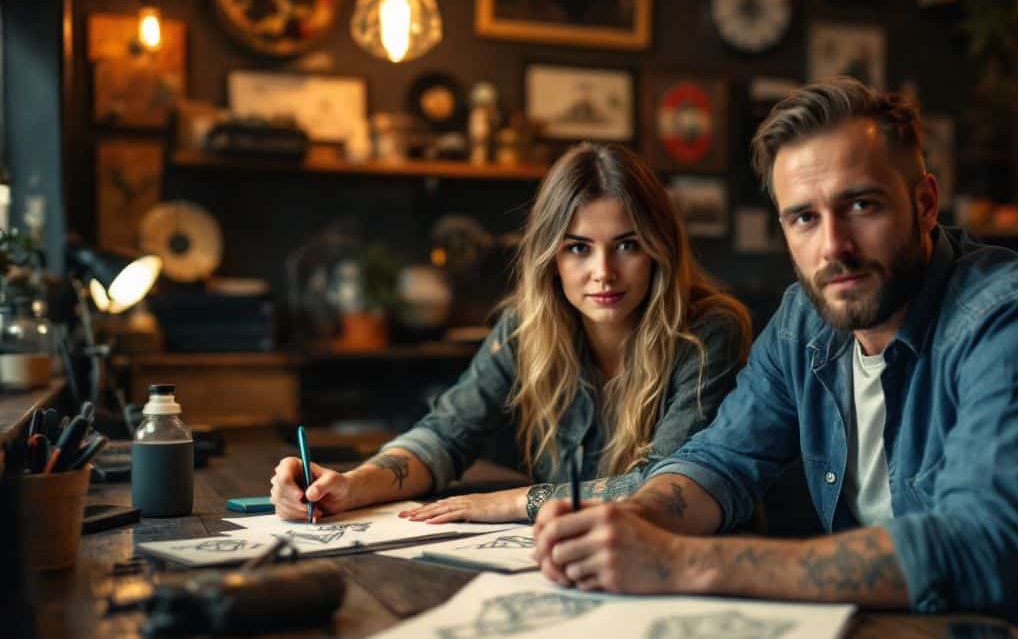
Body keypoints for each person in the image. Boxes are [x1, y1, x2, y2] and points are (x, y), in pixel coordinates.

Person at [532, 78, 1018, 639]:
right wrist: (637, 520)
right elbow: (722, 461)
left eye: (860, 205)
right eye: (803, 217)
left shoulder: (1013, 321)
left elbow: (976, 546)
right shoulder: (804, 321)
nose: (833, 246)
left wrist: (680, 563)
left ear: (923, 203)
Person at [270, 142, 750, 525]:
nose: (603, 272)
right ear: (550, 257)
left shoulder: (709, 333)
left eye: (627, 245)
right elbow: (446, 434)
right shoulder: (526, 327)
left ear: (658, 250)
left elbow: (668, 485)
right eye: (578, 248)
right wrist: (350, 485)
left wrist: (514, 501)